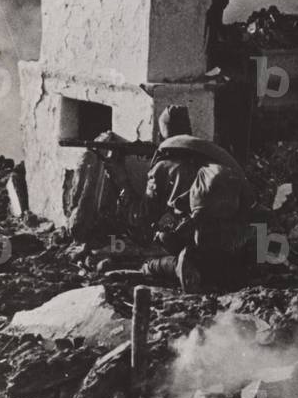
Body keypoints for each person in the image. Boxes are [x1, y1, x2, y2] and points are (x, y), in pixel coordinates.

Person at [105, 107, 256, 292]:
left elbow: (141, 218)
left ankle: (178, 266)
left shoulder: (161, 168)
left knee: (152, 257)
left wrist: (122, 182)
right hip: (233, 239)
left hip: (193, 241)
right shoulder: (212, 157)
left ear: (162, 135)